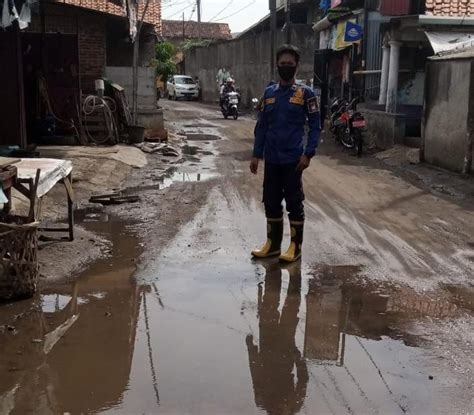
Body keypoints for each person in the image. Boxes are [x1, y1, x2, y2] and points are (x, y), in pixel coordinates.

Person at [250, 44, 321, 263]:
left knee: (293, 203)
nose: (286, 68)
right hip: (272, 159)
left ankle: (295, 247)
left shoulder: (305, 94)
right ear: (277, 66)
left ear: (297, 66)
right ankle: (272, 245)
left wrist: (308, 154)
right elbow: (262, 126)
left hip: (293, 161)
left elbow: (316, 126)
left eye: (290, 64)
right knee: (270, 201)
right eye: (282, 64)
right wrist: (256, 154)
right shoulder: (269, 93)